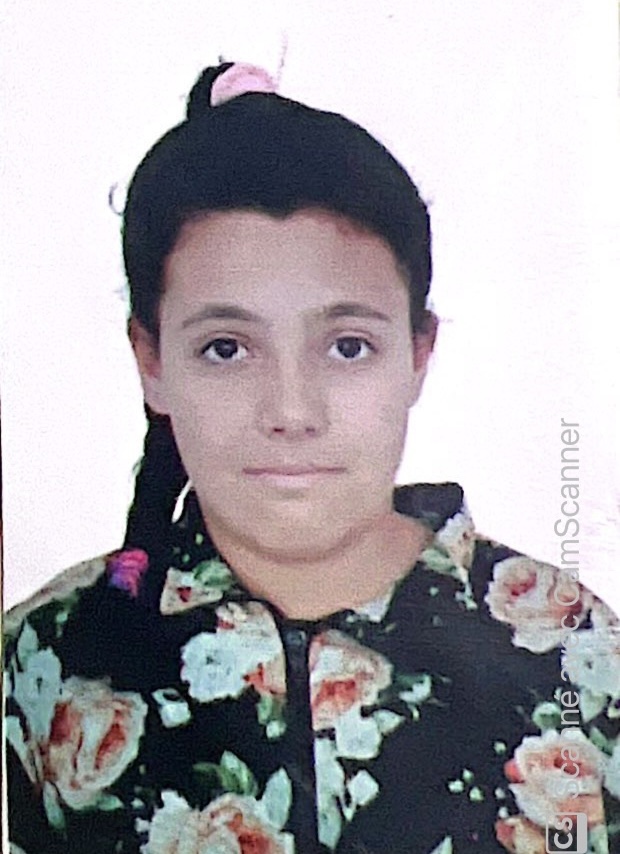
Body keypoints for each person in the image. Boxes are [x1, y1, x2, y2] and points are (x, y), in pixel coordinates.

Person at [4, 61, 620, 854]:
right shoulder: (40, 664)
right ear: (151, 361)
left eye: (348, 346)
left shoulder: (575, 651)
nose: (292, 412)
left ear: (418, 353)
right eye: (226, 348)